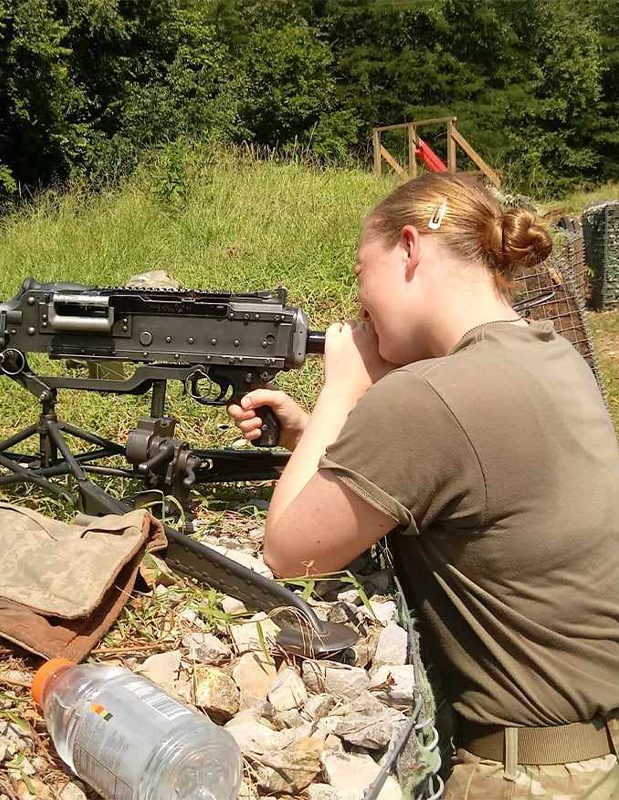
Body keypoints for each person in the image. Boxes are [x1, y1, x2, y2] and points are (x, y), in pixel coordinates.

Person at [227, 173, 619, 798]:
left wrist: (341, 391)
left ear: (409, 248)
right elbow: (455, 475)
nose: (359, 299)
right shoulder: (551, 354)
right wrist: (309, 436)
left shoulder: (427, 398)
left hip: (529, 774)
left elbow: (288, 550)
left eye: (361, 271)